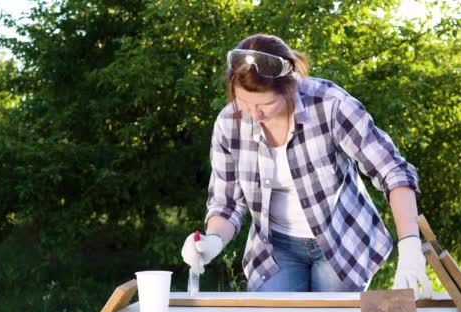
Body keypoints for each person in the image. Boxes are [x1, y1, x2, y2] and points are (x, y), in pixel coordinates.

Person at [181, 33, 432, 298]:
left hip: (341, 240)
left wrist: (410, 245)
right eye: (244, 103)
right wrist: (213, 241)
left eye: (267, 104)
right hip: (275, 248)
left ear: (289, 87)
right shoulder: (228, 124)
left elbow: (392, 171)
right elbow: (227, 204)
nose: (255, 115)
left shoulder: (330, 105)